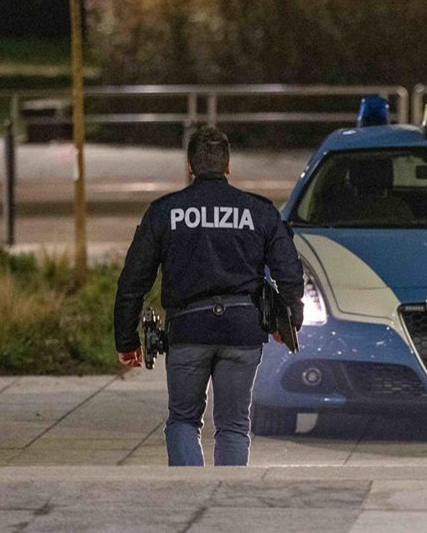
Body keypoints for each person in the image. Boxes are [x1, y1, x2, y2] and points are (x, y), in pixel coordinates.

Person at [113, 126, 304, 466]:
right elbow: (289, 271)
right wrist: (288, 322)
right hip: (243, 330)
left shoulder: (164, 211)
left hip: (188, 329)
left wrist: (126, 339)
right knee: (233, 426)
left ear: (190, 167)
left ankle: (189, 496)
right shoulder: (258, 211)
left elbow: (133, 280)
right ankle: (227, 503)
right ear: (228, 167)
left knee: (183, 421)